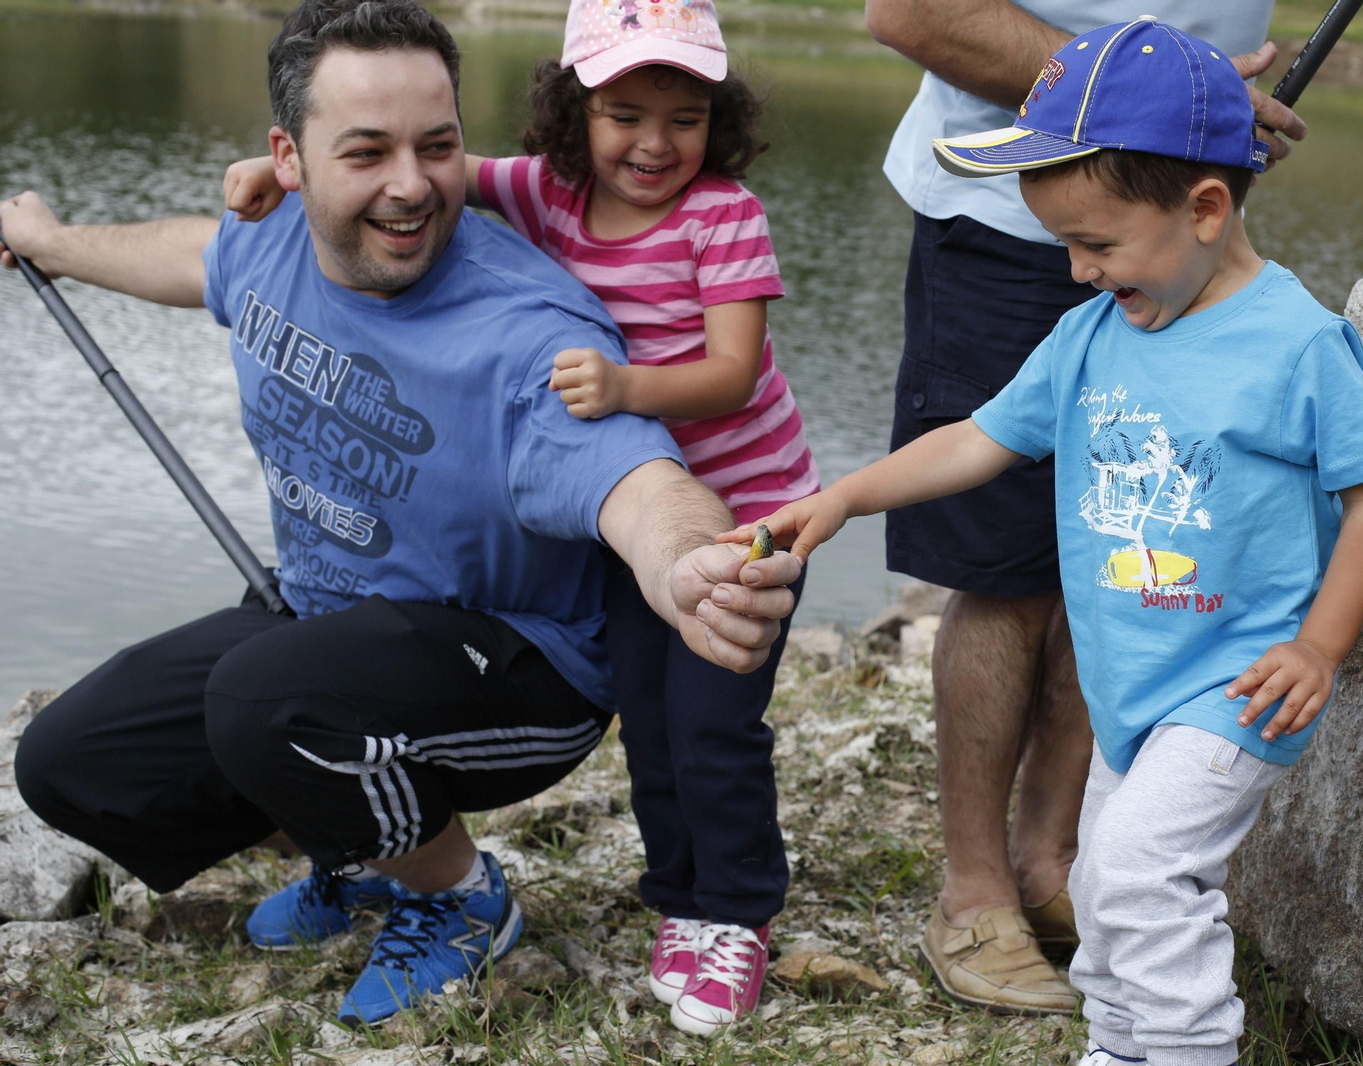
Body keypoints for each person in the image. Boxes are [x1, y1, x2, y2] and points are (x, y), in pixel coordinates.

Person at [0, 0, 800, 1030]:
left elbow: (637, 484)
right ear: (288, 158)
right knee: (70, 762)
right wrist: (55, 242)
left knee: (263, 700)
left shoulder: (526, 330)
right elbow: (193, 256)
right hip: (334, 631)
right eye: (367, 151)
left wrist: (689, 561)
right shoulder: (275, 240)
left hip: (522, 670)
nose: (412, 185)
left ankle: (459, 897)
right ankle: (368, 845)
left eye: (437, 146)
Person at [722, 18, 1363, 1063]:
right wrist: (847, 495)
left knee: (1135, 872)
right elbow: (977, 438)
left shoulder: (1296, 343)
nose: (1080, 272)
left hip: (1232, 686)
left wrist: (1318, 646)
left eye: (1098, 245)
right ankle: (1120, 1043)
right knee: (1097, 881)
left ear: (1207, 208)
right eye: (1065, 248)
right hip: (1131, 681)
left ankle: (1185, 1049)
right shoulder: (1092, 332)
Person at [859, 0, 1310, 1013]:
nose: (1082, 278)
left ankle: (1058, 861)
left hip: (1159, 215)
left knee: (1108, 551)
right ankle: (975, 891)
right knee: (1000, 572)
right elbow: (909, 9)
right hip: (1015, 219)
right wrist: (1162, 100)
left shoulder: (1292, 334)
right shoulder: (1074, 267)